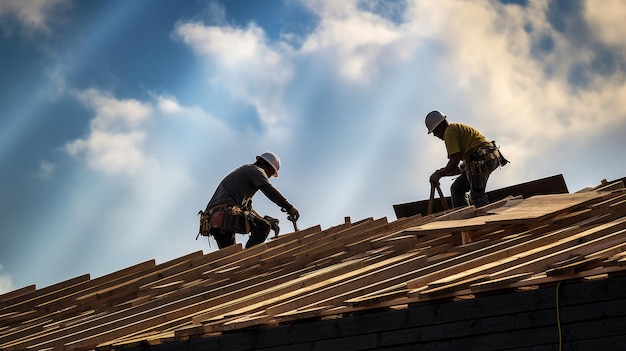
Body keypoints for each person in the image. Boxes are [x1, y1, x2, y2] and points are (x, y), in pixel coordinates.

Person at [199, 152, 300, 249]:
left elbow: (247, 210)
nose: (268, 177)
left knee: (231, 257)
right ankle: (248, 256)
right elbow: (270, 191)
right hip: (226, 214)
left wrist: (263, 219)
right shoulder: (256, 171)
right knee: (264, 227)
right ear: (267, 166)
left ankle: (242, 262)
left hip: (213, 218)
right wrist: (289, 207)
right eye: (271, 173)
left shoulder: (245, 172)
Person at [425, 110, 508, 208]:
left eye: (435, 131)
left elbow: (454, 161)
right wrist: (441, 173)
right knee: (457, 188)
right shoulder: (455, 130)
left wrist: (440, 174)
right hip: (485, 157)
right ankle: (465, 215)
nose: (435, 135)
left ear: (441, 126)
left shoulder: (449, 132)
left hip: (481, 157)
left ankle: (486, 219)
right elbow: (457, 169)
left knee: (477, 196)